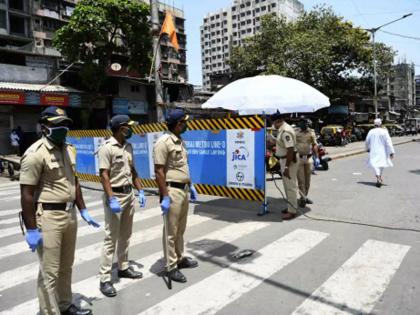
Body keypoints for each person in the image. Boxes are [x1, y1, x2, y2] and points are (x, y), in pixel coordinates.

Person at [20, 106, 99, 315]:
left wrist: (83, 209)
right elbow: (27, 194)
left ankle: (64, 305)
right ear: (44, 127)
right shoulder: (34, 154)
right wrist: (31, 229)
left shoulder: (69, 148)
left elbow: (75, 180)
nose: (63, 128)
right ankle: (48, 312)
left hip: (69, 214)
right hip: (48, 217)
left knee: (66, 266)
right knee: (49, 272)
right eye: (57, 124)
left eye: (65, 124)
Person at [98, 114, 146, 297]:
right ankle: (104, 279)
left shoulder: (128, 146)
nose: (131, 129)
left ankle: (123, 267)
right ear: (120, 128)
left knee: (126, 235)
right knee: (111, 238)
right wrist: (111, 198)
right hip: (115, 195)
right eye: (128, 126)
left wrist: (140, 190)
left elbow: (133, 171)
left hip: (129, 194)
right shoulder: (107, 148)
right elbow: (104, 175)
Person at [153, 109, 199, 283]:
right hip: (172, 191)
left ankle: (179, 258)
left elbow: (183, 167)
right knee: (171, 231)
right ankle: (171, 266)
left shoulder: (180, 142)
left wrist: (191, 185)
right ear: (178, 124)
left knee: (180, 229)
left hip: (184, 189)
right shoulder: (163, 142)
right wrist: (164, 196)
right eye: (184, 122)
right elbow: (159, 171)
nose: (186, 125)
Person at [272, 111, 299, 220]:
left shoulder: (285, 131)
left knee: (290, 187)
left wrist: (287, 167)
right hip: (284, 160)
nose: (273, 124)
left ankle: (292, 211)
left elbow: (290, 149)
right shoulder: (282, 130)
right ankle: (290, 207)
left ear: (278, 121)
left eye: (273, 122)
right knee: (286, 186)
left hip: (289, 162)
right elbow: (283, 145)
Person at [296, 117, 320, 207]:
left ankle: (305, 196)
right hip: (299, 158)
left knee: (307, 180)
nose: (302, 124)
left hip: (309, 158)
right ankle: (302, 199)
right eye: (301, 122)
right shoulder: (296, 132)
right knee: (301, 180)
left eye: (304, 122)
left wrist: (317, 157)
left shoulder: (311, 132)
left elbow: (314, 145)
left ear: (307, 123)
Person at [365, 118, 395, 187]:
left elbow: (367, 141)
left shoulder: (371, 131)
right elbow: (389, 142)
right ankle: (379, 177)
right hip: (382, 151)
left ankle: (378, 177)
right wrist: (391, 152)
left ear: (374, 124)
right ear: (381, 124)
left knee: (375, 164)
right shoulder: (384, 131)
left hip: (374, 151)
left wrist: (367, 148)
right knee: (381, 164)